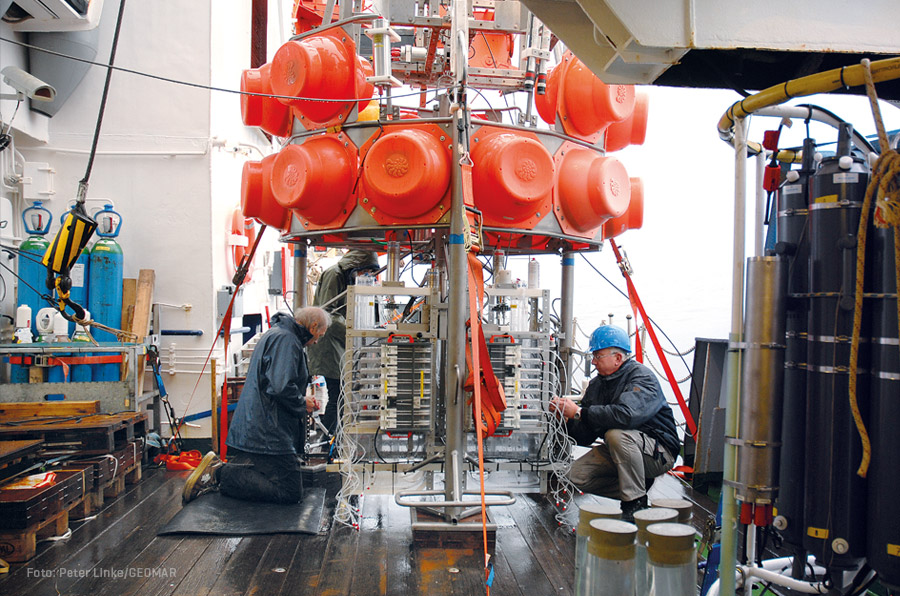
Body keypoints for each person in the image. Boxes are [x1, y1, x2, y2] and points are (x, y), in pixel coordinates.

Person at [181, 306, 330, 504]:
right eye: (319, 335)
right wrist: (302, 402)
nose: (317, 341)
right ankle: (219, 473)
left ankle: (221, 473)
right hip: (268, 428)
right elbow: (280, 386)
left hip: (263, 422)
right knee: (290, 491)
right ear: (312, 327)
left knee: (284, 481)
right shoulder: (287, 341)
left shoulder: (278, 334)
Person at [550, 324, 679, 522]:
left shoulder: (642, 378)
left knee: (616, 435)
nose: (593, 361)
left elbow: (626, 416)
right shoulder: (597, 385)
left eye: (597, 356)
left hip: (659, 453)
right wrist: (566, 419)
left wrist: (579, 412)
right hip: (622, 451)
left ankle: (634, 504)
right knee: (574, 475)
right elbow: (585, 436)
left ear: (618, 358)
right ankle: (638, 486)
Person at [307, 249, 380, 435]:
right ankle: (331, 440)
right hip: (328, 344)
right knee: (338, 394)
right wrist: (354, 331)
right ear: (355, 265)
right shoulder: (335, 274)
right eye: (365, 271)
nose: (367, 276)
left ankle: (336, 438)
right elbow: (328, 314)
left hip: (338, 343)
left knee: (341, 393)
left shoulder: (348, 277)